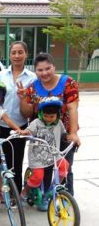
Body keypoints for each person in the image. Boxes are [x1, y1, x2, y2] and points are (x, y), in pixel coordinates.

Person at [19, 53, 80, 196]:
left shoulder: (68, 82)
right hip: (41, 135)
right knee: (45, 168)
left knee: (65, 165)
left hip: (63, 132)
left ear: (54, 67)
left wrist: (73, 133)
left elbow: (72, 108)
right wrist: (23, 99)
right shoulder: (32, 87)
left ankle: (66, 197)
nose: (44, 73)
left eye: (48, 68)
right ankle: (46, 197)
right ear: (35, 71)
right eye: (40, 70)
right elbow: (26, 113)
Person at [0, 41, 37, 194]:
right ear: (9, 55)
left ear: (26, 54)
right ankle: (4, 192)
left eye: (20, 52)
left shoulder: (32, 78)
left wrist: (24, 97)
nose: (17, 55)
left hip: (20, 126)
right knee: (2, 161)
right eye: (13, 52)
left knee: (16, 162)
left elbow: (31, 108)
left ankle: (16, 194)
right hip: (1, 125)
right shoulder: (1, 75)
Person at [19, 97, 69, 211]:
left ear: (57, 114)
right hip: (38, 157)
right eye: (46, 116)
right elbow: (29, 131)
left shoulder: (59, 123)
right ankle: (24, 192)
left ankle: (52, 190)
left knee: (64, 165)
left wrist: (69, 137)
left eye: (52, 116)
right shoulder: (36, 122)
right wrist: (24, 132)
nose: (48, 119)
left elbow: (64, 134)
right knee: (37, 177)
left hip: (53, 154)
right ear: (41, 113)